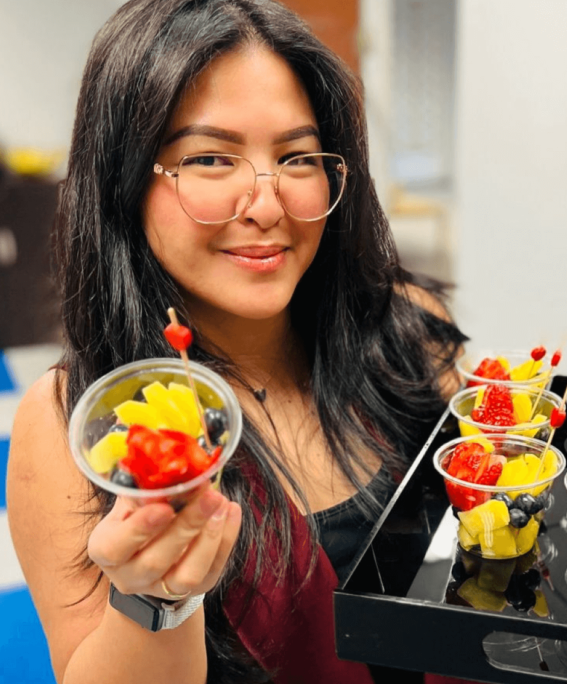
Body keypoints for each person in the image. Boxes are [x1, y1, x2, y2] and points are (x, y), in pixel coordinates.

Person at [7, 1, 466, 682]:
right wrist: (156, 598)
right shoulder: (76, 421)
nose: (267, 205)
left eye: (297, 156)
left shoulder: (406, 332)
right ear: (124, 180)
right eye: (212, 158)